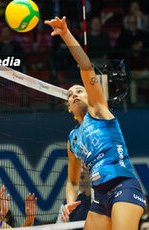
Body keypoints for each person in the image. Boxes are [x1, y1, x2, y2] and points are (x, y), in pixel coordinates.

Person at [44, 16, 146, 230]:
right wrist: (69, 202)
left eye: (79, 91)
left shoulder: (99, 110)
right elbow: (72, 181)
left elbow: (85, 64)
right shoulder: (72, 140)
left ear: (90, 97)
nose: (74, 95)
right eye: (70, 95)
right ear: (69, 109)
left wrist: (65, 33)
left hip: (123, 186)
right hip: (100, 197)